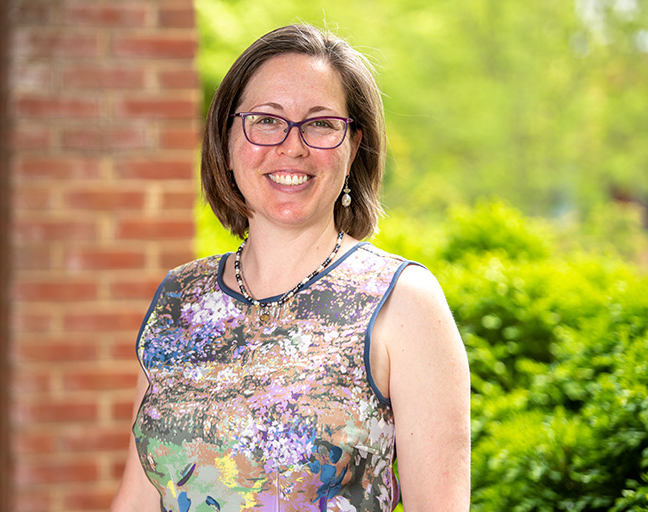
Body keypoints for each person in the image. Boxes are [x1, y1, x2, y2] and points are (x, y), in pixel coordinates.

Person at [111, 24, 470, 512]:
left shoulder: (404, 301)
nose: (292, 146)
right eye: (266, 120)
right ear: (228, 138)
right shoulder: (179, 300)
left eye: (321, 124)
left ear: (353, 145)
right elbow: (138, 499)